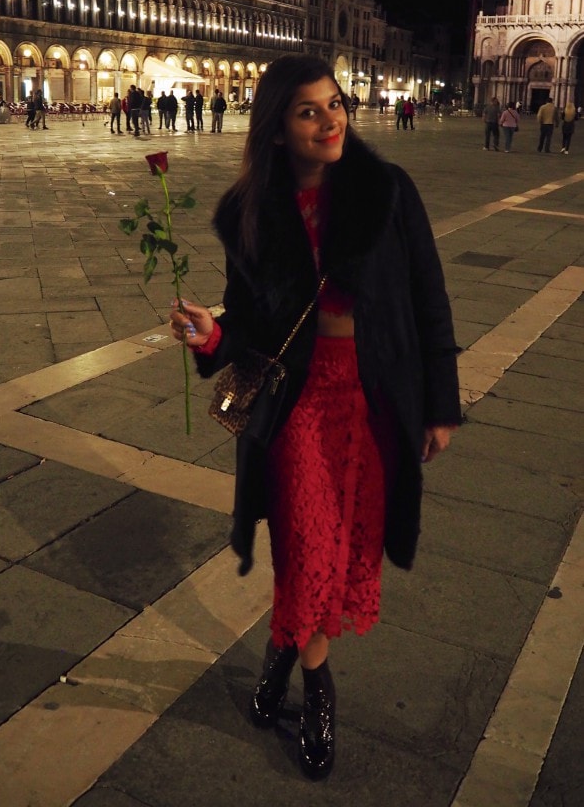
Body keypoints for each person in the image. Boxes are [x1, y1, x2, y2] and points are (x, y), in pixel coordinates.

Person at [169, 54, 461, 781]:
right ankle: (318, 685)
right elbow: (253, 325)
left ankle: (280, 652)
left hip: (373, 396)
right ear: (275, 130)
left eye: (334, 104)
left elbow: (428, 299)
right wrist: (210, 334)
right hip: (299, 400)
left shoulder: (387, 192)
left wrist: (439, 405)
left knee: (348, 546)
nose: (330, 119)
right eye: (308, 110)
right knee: (305, 540)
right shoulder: (248, 214)